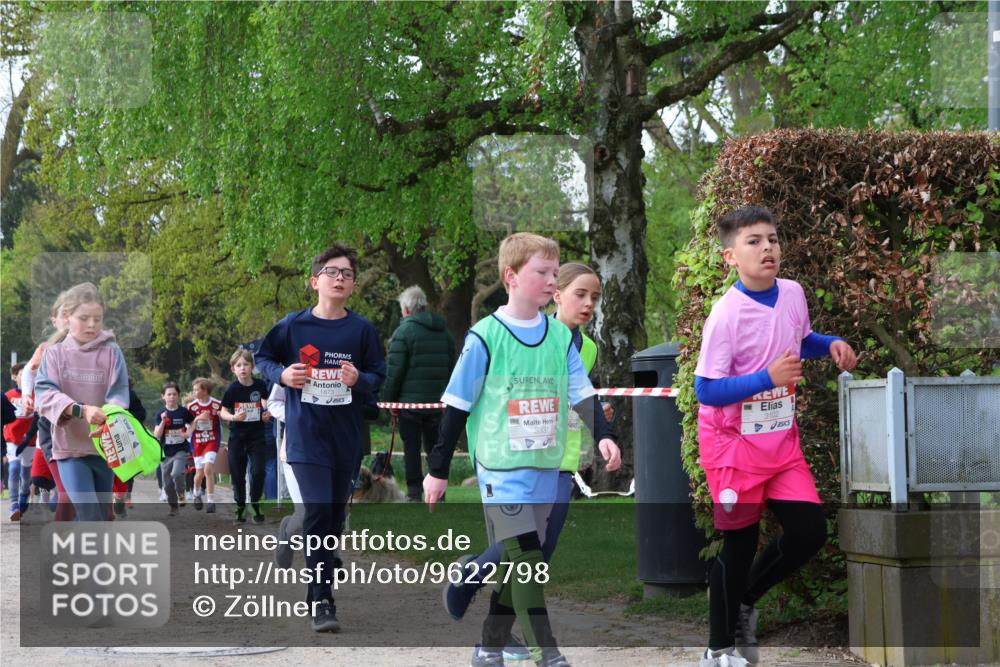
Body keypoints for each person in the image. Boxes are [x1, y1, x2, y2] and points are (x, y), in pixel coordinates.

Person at [423, 233, 621, 667]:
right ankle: (546, 653)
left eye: (555, 273)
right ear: (511, 277)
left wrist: (604, 432)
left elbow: (581, 391)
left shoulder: (559, 338)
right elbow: (456, 405)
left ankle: (489, 646)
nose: (552, 281)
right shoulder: (485, 336)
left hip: (548, 467)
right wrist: (438, 468)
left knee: (526, 560)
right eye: (543, 273)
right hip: (499, 467)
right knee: (527, 556)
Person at [693, 207, 857, 667]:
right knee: (739, 546)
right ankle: (717, 648)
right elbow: (705, 389)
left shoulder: (793, 293)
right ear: (730, 257)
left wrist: (830, 344)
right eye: (754, 241)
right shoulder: (724, 315)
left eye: (773, 238)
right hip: (732, 446)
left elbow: (798, 338)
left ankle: (743, 601)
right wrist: (767, 377)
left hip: (781, 442)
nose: (768, 248)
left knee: (809, 533)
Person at [255, 242, 386, 633]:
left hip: (345, 438)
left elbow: (379, 376)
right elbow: (263, 358)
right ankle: (323, 599)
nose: (340, 278)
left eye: (347, 274)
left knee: (332, 519)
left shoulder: (362, 330)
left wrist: (358, 379)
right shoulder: (293, 326)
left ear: (354, 285)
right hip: (305, 437)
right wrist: (282, 375)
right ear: (315, 281)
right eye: (332, 272)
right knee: (315, 513)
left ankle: (318, 588)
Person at [35, 282, 130, 522]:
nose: (92, 325)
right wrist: (81, 410)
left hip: (104, 449)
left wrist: (110, 414)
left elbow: (119, 392)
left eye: (97, 319)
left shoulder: (112, 352)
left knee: (100, 516)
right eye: (84, 318)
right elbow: (45, 394)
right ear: (66, 317)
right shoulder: (54, 354)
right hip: (69, 449)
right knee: (89, 515)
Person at [381, 285, 456, 501]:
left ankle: (414, 491)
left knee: (411, 449)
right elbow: (452, 367)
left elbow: (394, 373)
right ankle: (438, 492)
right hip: (438, 404)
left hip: (409, 404)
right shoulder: (445, 333)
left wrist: (390, 403)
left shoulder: (403, 332)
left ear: (406, 308)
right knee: (435, 447)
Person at [220, 349, 271, 525]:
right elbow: (223, 411)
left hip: (257, 436)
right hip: (237, 438)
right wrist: (233, 417)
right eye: (238, 365)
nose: (242, 368)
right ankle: (240, 507)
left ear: (252, 367)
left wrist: (266, 412)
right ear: (233, 369)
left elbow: (265, 401)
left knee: (259, 472)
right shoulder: (232, 390)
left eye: (246, 364)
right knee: (237, 475)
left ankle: (255, 502)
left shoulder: (260, 385)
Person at [154, 382, 194, 517]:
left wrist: (189, 432)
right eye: (169, 394)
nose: (172, 397)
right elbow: (157, 435)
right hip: (166, 452)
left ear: (178, 396)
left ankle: (181, 493)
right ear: (163, 397)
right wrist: (163, 422)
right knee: (167, 483)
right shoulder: (160, 413)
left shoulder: (183, 411)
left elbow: (193, 422)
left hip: (181, 449)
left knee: (176, 473)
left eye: (174, 394)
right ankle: (173, 506)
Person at [4, 363, 34, 520]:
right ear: (15, 377)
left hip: (30, 440)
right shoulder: (8, 396)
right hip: (12, 440)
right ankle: (14, 504)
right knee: (14, 468)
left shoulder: (36, 395)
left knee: (26, 473)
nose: (25, 377)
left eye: (28, 374)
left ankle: (24, 495)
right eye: (22, 373)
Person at [187, 377, 222, 513]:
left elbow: (224, 415)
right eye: (194, 389)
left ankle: (211, 501)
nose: (194, 392)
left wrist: (230, 418)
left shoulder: (217, 404)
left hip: (212, 440)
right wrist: (197, 419)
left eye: (197, 389)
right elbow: (189, 426)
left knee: (208, 469)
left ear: (205, 391)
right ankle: (196, 493)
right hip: (197, 442)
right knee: (199, 473)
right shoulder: (191, 407)